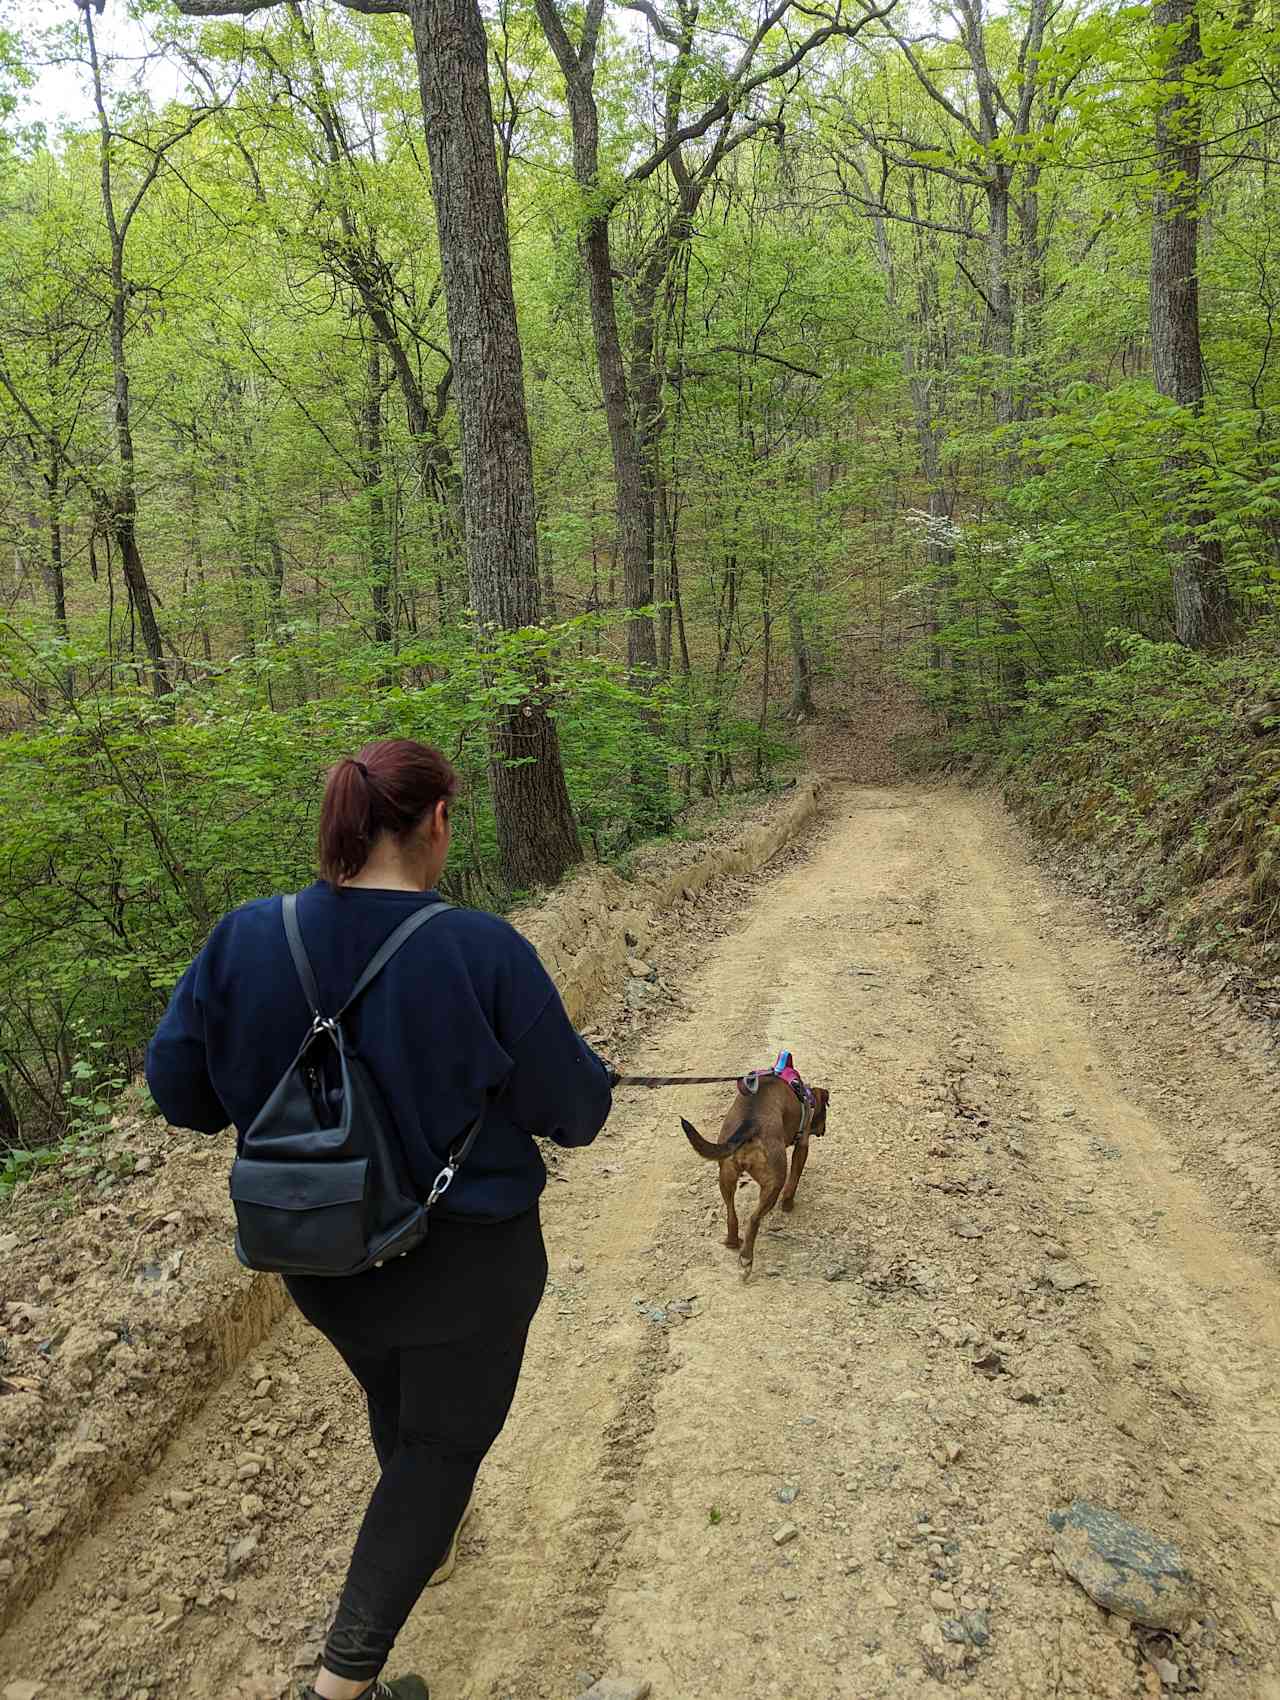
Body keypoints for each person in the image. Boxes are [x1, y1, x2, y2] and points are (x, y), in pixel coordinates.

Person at [146, 738, 614, 1700]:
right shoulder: (482, 950)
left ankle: (425, 1547)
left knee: (396, 1389)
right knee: (441, 1449)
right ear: (438, 821)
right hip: (469, 1267)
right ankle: (341, 1683)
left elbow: (182, 1094)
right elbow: (576, 1115)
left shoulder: (244, 938)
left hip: (319, 1253)